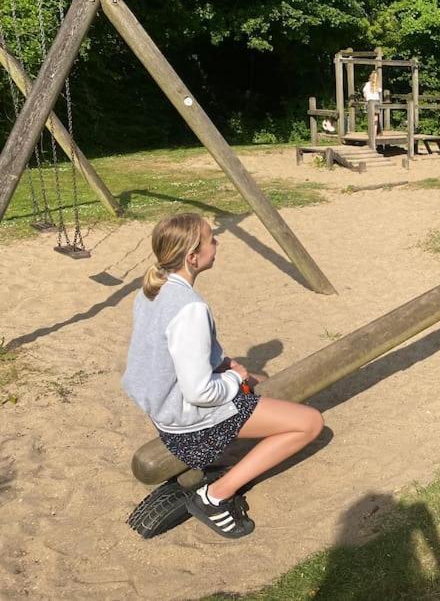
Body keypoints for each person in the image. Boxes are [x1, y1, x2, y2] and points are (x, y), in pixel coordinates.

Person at [122, 213, 324, 539]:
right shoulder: (190, 309)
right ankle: (215, 496)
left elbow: (169, 355)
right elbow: (200, 392)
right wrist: (233, 380)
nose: (217, 243)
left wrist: (228, 366)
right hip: (188, 425)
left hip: (162, 410)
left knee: (257, 381)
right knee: (310, 423)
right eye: (211, 239)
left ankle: (229, 461)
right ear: (192, 257)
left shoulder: (152, 290)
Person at [362, 70, 382, 134]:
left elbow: (364, 93)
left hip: (371, 101)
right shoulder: (375, 86)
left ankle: (372, 132)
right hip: (374, 101)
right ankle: (374, 132)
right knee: (375, 117)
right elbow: (380, 91)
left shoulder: (368, 85)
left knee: (372, 117)